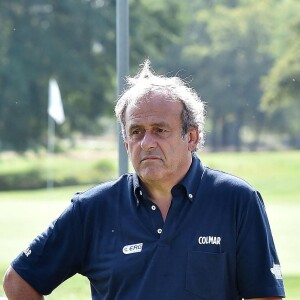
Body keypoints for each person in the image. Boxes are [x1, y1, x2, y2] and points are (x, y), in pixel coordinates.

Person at [3, 60, 285, 300]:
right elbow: (18, 281)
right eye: (136, 131)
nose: (147, 142)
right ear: (126, 142)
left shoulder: (237, 200)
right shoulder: (91, 209)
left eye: (160, 130)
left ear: (192, 137)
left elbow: (265, 294)